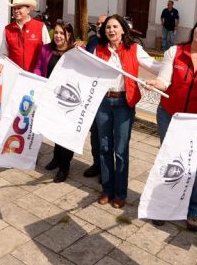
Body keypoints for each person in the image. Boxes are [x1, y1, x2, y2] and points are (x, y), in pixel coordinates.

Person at [147, 15, 197, 231]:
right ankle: (163, 206)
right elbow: (164, 80)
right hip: (170, 115)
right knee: (169, 160)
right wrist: (157, 83)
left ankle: (194, 210)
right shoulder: (174, 52)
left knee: (196, 166)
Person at [94, 15, 160, 209]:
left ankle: (120, 193)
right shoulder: (98, 49)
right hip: (103, 102)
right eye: (108, 28)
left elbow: (155, 67)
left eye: (115, 27)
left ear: (123, 29)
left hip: (124, 102)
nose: (111, 30)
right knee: (104, 148)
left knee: (121, 151)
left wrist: (172, 68)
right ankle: (107, 190)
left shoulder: (134, 49)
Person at [33, 21, 78, 183]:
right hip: (51, 98)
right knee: (54, 130)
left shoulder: (77, 51)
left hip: (69, 100)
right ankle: (56, 158)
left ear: (69, 35)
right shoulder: (46, 49)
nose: (58, 36)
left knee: (65, 133)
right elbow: (38, 66)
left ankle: (64, 167)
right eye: (56, 33)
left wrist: (82, 47)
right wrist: (36, 78)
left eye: (62, 33)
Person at [82, 14, 108, 178]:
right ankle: (96, 164)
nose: (98, 26)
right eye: (97, 23)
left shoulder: (112, 45)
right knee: (95, 133)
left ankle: (106, 169)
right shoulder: (92, 42)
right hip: (92, 96)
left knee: (106, 137)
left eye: (102, 23)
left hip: (108, 97)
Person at [4, 0, 50, 72]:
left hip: (35, 75)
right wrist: (1, 66)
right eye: (14, 8)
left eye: (19, 8)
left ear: (28, 10)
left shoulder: (40, 27)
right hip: (14, 76)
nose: (16, 11)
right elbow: (3, 53)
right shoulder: (7, 29)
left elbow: (48, 52)